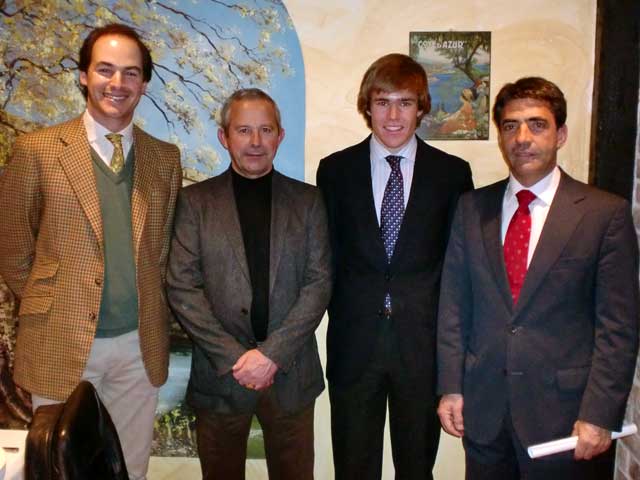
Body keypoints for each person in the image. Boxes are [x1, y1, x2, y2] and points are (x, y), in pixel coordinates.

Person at [0, 23, 182, 479]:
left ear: (143, 82)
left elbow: (160, 254)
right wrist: (53, 302)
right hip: (61, 342)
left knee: (129, 471)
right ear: (83, 75)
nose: (117, 84)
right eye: (105, 70)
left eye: (130, 73)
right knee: (59, 470)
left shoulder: (166, 158)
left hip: (139, 349)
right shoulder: (37, 150)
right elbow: (13, 248)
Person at [437, 76, 639, 479]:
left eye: (537, 124)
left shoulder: (603, 215)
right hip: (485, 411)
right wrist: (451, 386)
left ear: (561, 134)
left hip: (565, 420)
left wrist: (600, 414)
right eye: (510, 126)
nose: (522, 137)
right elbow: (454, 305)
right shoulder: (472, 208)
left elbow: (618, 327)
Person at [316, 53, 473, 480]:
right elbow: (325, 260)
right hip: (354, 348)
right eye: (382, 101)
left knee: (417, 468)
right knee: (352, 467)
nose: (393, 115)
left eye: (405, 102)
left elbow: (459, 270)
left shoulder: (452, 175)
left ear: (421, 108)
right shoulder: (334, 171)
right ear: (367, 106)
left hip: (422, 350)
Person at [167, 88, 331, 480]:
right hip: (221, 374)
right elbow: (181, 286)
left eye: (265, 130)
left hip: (290, 372)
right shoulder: (195, 203)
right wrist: (234, 359)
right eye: (243, 130)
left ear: (280, 136)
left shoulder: (308, 202)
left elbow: (319, 282)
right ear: (224, 137)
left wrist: (271, 354)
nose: (255, 142)